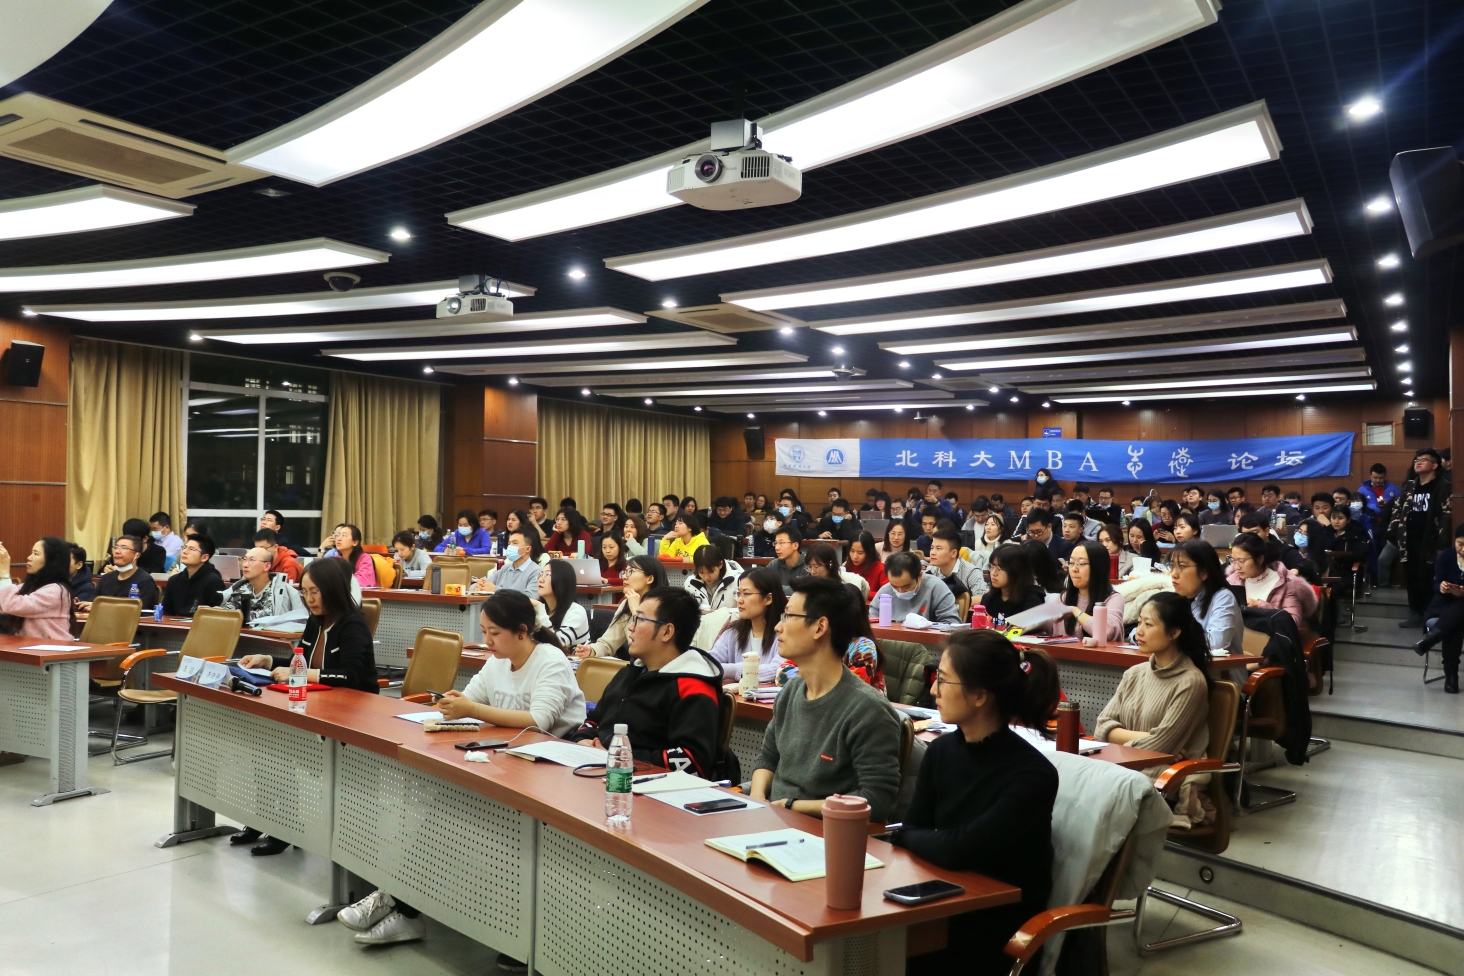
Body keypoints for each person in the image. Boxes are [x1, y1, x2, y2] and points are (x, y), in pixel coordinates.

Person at [334, 590, 587, 953]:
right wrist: (454, 704)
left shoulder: (550, 660)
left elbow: (539, 720)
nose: (487, 641)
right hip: (505, 762)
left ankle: (401, 903)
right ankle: (398, 900)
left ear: (522, 631)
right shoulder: (498, 661)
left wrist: (473, 710)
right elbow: (470, 698)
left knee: (454, 816)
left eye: (494, 633)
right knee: (440, 810)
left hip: (553, 775)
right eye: (483, 632)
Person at [892, 630, 1059, 976]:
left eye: (943, 680)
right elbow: (918, 830)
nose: (933, 691)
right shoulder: (941, 751)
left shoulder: (1033, 775)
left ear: (980, 695)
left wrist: (906, 836)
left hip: (993, 928)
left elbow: (961, 848)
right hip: (939, 900)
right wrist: (910, 836)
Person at [236, 559, 377, 861]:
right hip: (316, 704)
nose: (309, 599)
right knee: (266, 748)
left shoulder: (353, 624)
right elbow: (301, 661)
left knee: (282, 753)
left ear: (333, 590)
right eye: (305, 592)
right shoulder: (316, 621)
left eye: (315, 592)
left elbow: (351, 676)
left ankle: (285, 828)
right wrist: (268, 661)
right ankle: (264, 819)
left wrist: (298, 674)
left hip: (352, 715)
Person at [752, 577, 902, 820]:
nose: (778, 627)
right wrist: (757, 799)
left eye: (788, 616)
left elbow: (877, 800)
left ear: (820, 627)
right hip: (773, 819)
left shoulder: (868, 710)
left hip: (825, 831)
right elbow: (768, 759)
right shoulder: (790, 692)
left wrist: (793, 806)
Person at [569, 587, 723, 776]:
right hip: (600, 772)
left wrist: (619, 757)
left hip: (650, 786)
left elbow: (693, 760)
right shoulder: (629, 673)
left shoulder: (693, 687)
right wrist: (582, 740)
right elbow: (594, 720)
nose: (630, 627)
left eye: (640, 619)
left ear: (667, 632)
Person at [1094, 591, 1212, 803]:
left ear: (1174, 633)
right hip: (1127, 766)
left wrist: (1117, 741)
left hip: (1161, 775)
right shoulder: (1134, 673)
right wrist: (1148, 736)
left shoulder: (1191, 682)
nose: (1139, 631)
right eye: (1139, 622)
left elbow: (1159, 748)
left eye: (1148, 625)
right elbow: (1101, 726)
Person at [1390, 449, 1452, 627]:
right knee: (1411, 577)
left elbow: (1446, 515)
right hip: (1408, 539)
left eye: (1423, 460)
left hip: (1430, 540)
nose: (1418, 462)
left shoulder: (1443, 486)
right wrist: (1394, 530)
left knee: (1427, 577)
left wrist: (1441, 541)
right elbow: (1397, 508)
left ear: (1434, 465)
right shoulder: (1410, 485)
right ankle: (1415, 612)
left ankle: (1430, 614)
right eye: (1417, 459)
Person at [574, 556, 666, 659]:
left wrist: (636, 611)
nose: (624, 577)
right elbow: (608, 643)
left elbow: (651, 648)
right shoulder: (627, 604)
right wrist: (592, 650)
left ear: (650, 579)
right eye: (625, 572)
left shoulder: (664, 607)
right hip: (636, 666)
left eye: (631, 571)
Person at [1168, 539, 1244, 657]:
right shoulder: (1177, 598)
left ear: (1204, 572)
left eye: (1182, 566)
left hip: (1218, 668)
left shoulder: (1224, 597)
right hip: (1183, 665)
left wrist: (1169, 638)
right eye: (1172, 566)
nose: (1174, 574)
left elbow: (1216, 643)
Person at [1412, 523, 1464, 693]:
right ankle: (1451, 677)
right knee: (1455, 623)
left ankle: (1431, 640)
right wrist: (1442, 587)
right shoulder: (1446, 556)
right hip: (1443, 605)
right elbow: (1435, 584)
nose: (1463, 549)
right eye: (1460, 544)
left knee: (1458, 613)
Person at [708, 567, 784, 682]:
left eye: (747, 594)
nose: (739, 600)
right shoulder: (733, 632)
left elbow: (779, 670)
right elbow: (710, 662)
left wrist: (731, 670)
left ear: (768, 598)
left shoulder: (784, 634)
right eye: (738, 594)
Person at [1226, 532, 1317, 628]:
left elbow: (1293, 622)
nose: (1237, 567)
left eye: (1241, 561)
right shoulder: (1232, 581)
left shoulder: (1287, 584)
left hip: (1270, 636)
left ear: (1260, 559)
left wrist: (1260, 606)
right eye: (1233, 561)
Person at [1045, 539, 1124, 642]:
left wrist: (1075, 611)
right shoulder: (1064, 597)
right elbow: (1043, 626)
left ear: (1098, 567)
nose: (1074, 569)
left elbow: (1106, 631)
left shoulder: (1113, 599)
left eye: (1081, 563)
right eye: (1071, 563)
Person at [0, 538, 75, 639]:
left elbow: (12, 605)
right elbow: (3, 603)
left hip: (53, 647)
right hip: (29, 645)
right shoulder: (31, 586)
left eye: (36, 554)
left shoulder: (56, 590)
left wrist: (4, 574)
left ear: (51, 560)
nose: (29, 558)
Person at [219, 546, 307, 626]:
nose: (245, 565)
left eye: (252, 560)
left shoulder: (280, 592)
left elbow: (268, 616)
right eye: (244, 559)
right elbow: (228, 609)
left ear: (267, 566)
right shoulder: (241, 586)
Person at [870, 551, 960, 623]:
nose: (900, 591)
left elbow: (951, 624)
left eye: (906, 586)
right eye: (894, 586)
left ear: (919, 576)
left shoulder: (936, 588)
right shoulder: (885, 591)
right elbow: (872, 623)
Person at [87, 535, 159, 610]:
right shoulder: (106, 578)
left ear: (137, 555)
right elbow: (93, 601)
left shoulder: (145, 581)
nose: (117, 551)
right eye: (116, 547)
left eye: (124, 548)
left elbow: (136, 610)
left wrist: (100, 607)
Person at [161, 534, 225, 616]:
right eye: (184, 547)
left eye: (191, 549)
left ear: (204, 557)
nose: (184, 551)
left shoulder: (213, 581)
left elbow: (218, 615)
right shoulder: (174, 580)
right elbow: (166, 612)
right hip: (175, 623)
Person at [980, 546, 1045, 622]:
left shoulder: (1031, 600)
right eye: (991, 567)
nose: (993, 573)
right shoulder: (988, 599)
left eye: (999, 568)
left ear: (1016, 571)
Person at [1235, 512, 1310, 577]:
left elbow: (1305, 565)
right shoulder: (1241, 551)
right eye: (1246, 534)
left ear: (1266, 531)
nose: (1250, 538)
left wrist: (1296, 570)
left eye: (1254, 533)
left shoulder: (1284, 551)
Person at [536, 559, 590, 649]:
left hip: (572, 657)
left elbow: (558, 643)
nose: (541, 580)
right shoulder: (540, 609)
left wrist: (539, 608)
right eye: (541, 574)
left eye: (547, 574)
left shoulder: (576, 611)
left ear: (562, 580)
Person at [926, 528, 982, 612]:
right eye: (932, 548)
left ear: (953, 553)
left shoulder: (971, 572)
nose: (932, 552)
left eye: (938, 548)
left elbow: (981, 598)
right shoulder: (930, 570)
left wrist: (947, 603)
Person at [474, 529, 542, 595]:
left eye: (515, 543)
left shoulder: (536, 572)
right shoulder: (505, 568)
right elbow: (481, 584)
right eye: (509, 543)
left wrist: (496, 590)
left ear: (527, 549)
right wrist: (479, 586)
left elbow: (531, 596)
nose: (510, 546)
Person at [805, 541, 870, 600]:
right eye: (809, 567)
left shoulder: (841, 591)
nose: (812, 571)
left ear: (830, 564)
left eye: (816, 567)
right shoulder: (806, 587)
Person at [686, 543, 740, 612]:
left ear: (721, 564)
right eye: (701, 573)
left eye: (710, 572)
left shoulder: (738, 581)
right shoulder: (690, 583)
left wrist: (721, 612)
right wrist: (696, 611)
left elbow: (747, 611)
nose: (706, 577)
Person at [327, 524, 378, 589]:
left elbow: (363, 581)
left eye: (344, 535)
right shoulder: (336, 559)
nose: (338, 539)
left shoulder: (365, 558)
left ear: (355, 542)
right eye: (337, 535)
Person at [843, 531, 887, 597]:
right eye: (852, 551)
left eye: (860, 553)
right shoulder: (846, 566)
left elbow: (887, 594)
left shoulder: (881, 568)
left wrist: (862, 593)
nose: (855, 556)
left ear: (869, 552)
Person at [771, 525, 809, 593]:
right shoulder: (774, 565)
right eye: (776, 543)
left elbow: (806, 590)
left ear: (795, 545)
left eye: (781, 543)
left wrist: (776, 588)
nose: (777, 548)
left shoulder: (809, 564)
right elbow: (763, 585)